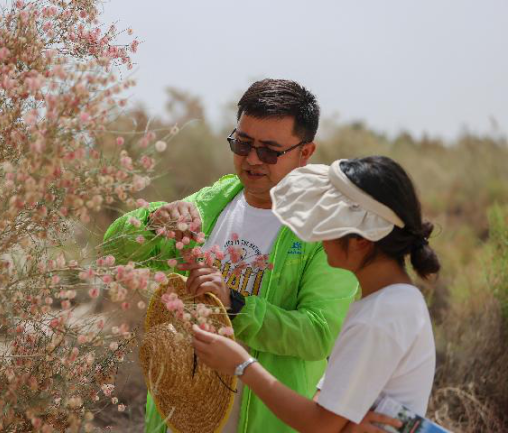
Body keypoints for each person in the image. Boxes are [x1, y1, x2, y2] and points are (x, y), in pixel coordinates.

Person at [103, 79, 359, 432]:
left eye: (270, 150)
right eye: (242, 143)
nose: (252, 159)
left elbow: (318, 334)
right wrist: (150, 222)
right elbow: (115, 249)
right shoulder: (214, 202)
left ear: (305, 152)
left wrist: (235, 305)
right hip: (177, 418)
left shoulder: (323, 231)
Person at [192, 156, 440, 433]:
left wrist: (241, 365)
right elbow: (330, 410)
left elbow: (319, 425)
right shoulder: (394, 302)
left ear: (360, 240)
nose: (318, 238)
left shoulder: (377, 317)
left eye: (327, 226)